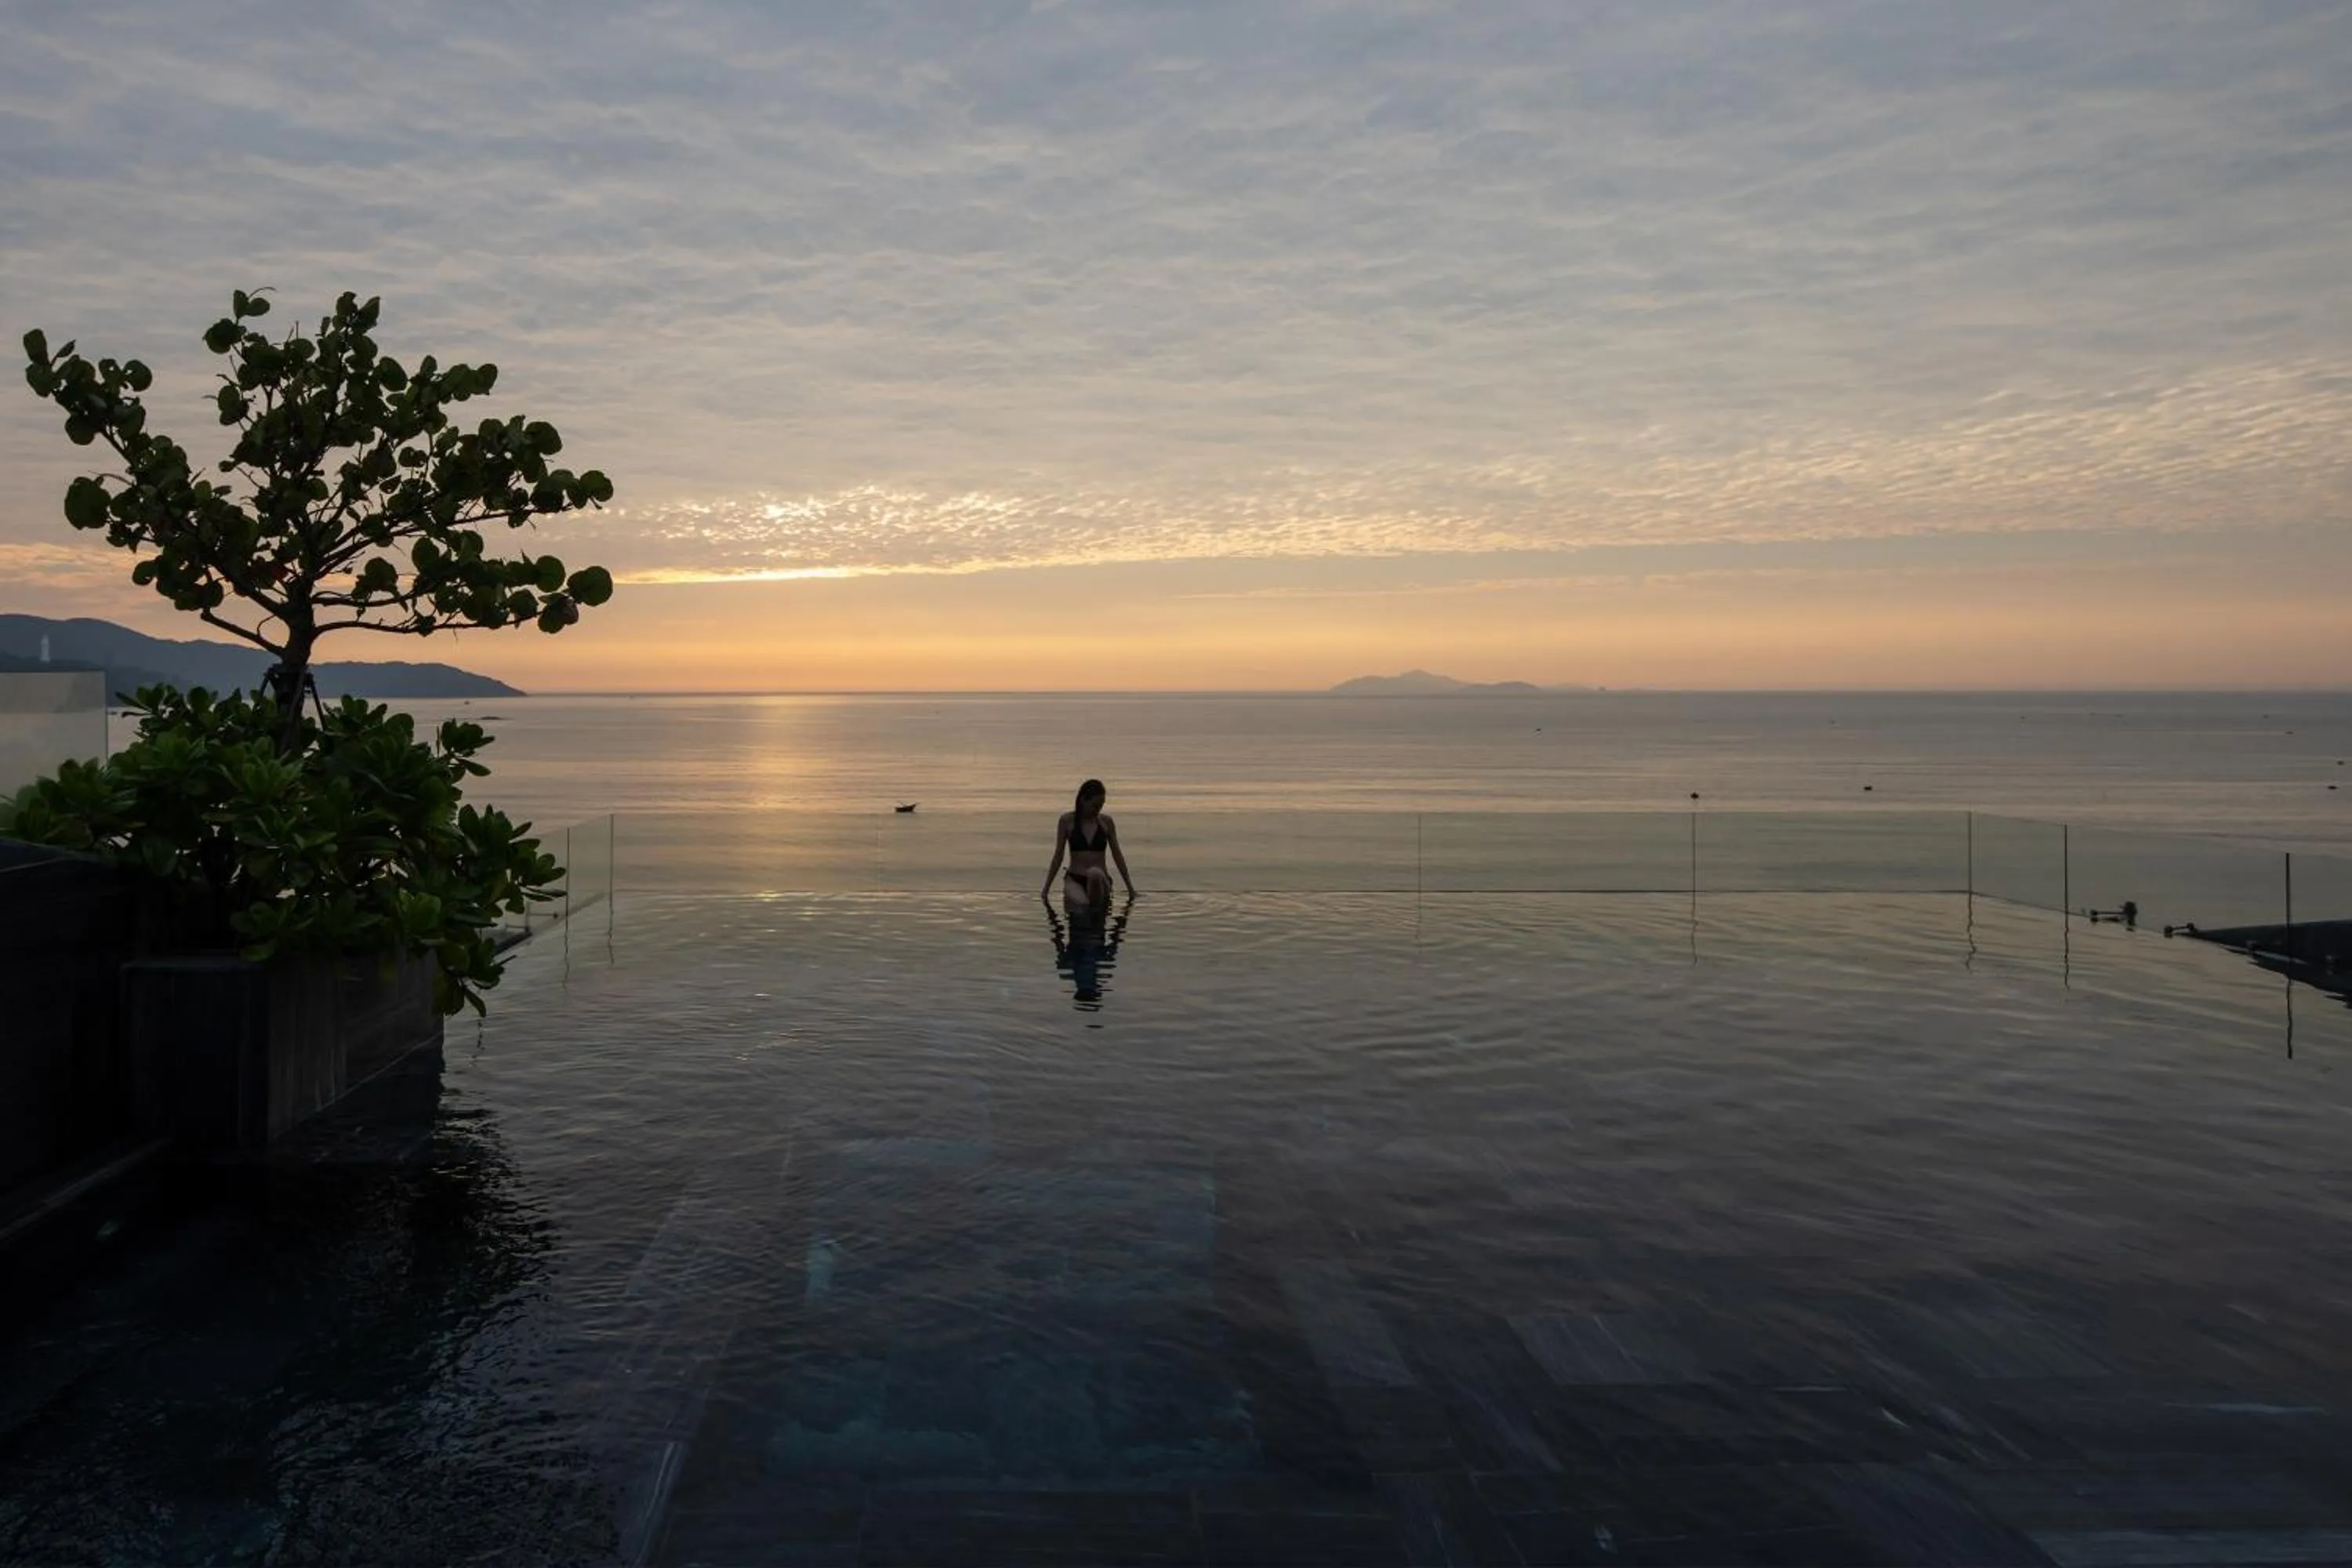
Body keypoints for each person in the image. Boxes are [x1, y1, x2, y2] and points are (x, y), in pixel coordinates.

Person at [1040, 777, 1136, 916]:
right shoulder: (1067, 821)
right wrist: (1046, 889)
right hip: (1075, 879)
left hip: (1100, 880)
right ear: (1083, 800)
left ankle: (1098, 913)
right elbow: (1058, 855)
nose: (1098, 809)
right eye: (1095, 805)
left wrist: (1130, 889)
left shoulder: (1106, 823)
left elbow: (1117, 855)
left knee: (1094, 874)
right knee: (1083, 905)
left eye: (1101, 805)